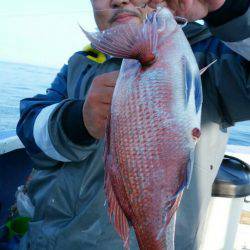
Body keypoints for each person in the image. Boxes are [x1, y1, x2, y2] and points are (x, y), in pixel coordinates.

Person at [17, 0, 250, 249]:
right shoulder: (83, 62)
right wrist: (77, 120)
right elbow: (30, 128)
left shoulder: (215, 52)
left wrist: (229, 8)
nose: (118, 0)